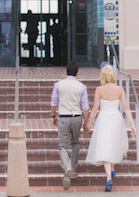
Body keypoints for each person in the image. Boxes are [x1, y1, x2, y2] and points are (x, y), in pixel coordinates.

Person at [85, 65, 136, 192]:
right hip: (116, 118)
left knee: (105, 145)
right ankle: (112, 170)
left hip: (104, 118)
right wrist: (133, 125)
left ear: (103, 76)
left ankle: (109, 178)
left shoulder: (99, 89)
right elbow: (126, 108)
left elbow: (95, 109)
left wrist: (88, 124)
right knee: (113, 142)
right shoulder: (120, 89)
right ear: (113, 76)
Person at [50, 61, 90, 190]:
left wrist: (53, 116)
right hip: (77, 117)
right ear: (77, 73)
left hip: (63, 117)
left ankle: (67, 168)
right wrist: (86, 121)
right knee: (76, 143)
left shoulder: (58, 85)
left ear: (66, 72)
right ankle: (72, 168)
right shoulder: (82, 86)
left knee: (63, 145)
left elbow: (54, 103)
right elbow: (85, 107)